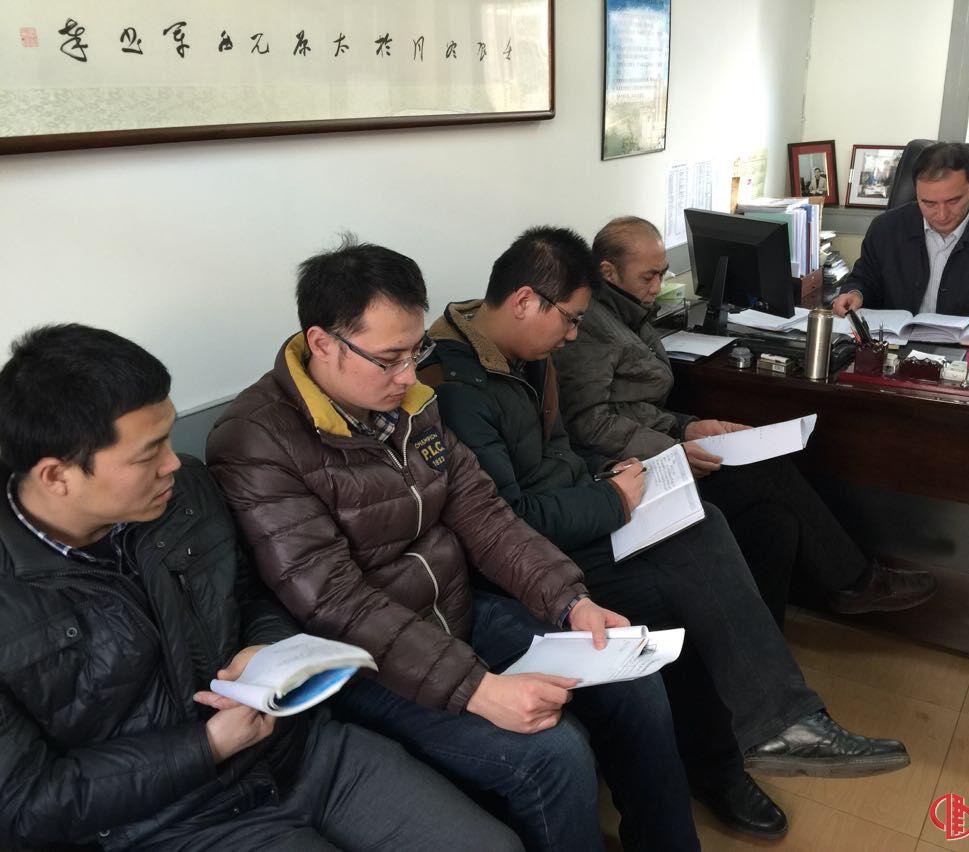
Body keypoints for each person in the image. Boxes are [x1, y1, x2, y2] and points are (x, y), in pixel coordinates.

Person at [205, 235, 700, 852]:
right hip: (365, 665)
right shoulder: (256, 441)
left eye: (416, 352)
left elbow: (484, 516)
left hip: (457, 613)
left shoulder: (410, 405)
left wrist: (569, 601)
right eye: (390, 359)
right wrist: (478, 690)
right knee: (553, 753)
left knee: (631, 677)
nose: (408, 376)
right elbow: (335, 602)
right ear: (323, 343)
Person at [421, 225, 913, 841]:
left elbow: (561, 450)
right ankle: (757, 739)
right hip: (532, 557)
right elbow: (508, 522)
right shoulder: (458, 388)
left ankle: (762, 734)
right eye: (569, 320)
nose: (572, 335)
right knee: (696, 576)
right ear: (524, 301)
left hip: (580, 508)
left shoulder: (525, 353)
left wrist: (613, 476)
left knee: (722, 532)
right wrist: (611, 497)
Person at [0, 324, 522, 852]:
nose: (173, 463)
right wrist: (205, 746)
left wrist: (266, 646)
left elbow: (252, 594)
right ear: (56, 476)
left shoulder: (187, 494)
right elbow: (26, 804)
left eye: (169, 438)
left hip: (299, 750)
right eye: (147, 454)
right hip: (170, 819)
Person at [554, 215, 937, 625]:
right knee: (768, 470)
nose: (657, 285)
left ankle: (767, 637)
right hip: (628, 472)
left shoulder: (629, 312)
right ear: (608, 272)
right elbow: (589, 424)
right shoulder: (589, 326)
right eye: (649, 276)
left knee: (776, 523)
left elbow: (629, 407)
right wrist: (675, 446)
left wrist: (686, 426)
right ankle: (856, 582)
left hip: (661, 449)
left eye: (662, 273)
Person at [831, 141, 969, 334]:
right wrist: (855, 294)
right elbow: (864, 279)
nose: (942, 215)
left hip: (967, 355)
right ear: (916, 190)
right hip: (894, 350)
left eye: (953, 201)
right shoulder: (886, 228)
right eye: (929, 203)